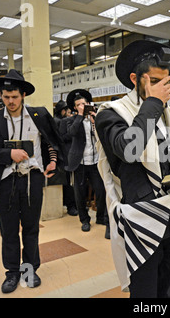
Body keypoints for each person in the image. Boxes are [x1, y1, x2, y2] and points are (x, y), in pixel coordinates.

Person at [95, 40, 170, 298]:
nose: (163, 90)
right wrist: (153, 103)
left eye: (165, 82)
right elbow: (129, 150)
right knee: (145, 291)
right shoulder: (111, 113)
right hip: (141, 217)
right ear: (134, 79)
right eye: (154, 81)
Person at [0, 69, 65, 293]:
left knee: (31, 228)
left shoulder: (39, 115)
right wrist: (9, 155)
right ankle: (12, 273)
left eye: (14, 96)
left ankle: (29, 269)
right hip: (5, 181)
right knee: (8, 230)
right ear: (1, 96)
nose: (10, 101)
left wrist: (52, 161)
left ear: (23, 94)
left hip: (32, 179)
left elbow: (51, 142)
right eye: (6, 97)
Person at [65, 89, 109, 234]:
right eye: (79, 105)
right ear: (75, 107)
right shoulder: (72, 120)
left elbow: (104, 135)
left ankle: (101, 217)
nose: (82, 106)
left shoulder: (95, 118)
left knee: (101, 191)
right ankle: (84, 220)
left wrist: (95, 120)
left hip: (96, 161)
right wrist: (79, 116)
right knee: (80, 193)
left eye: (84, 103)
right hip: (80, 163)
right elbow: (71, 133)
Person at [53, 100, 77, 216]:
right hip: (65, 156)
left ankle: (71, 204)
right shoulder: (61, 122)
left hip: (60, 157)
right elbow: (64, 137)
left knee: (67, 182)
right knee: (69, 183)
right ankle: (71, 206)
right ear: (63, 111)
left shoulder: (55, 120)